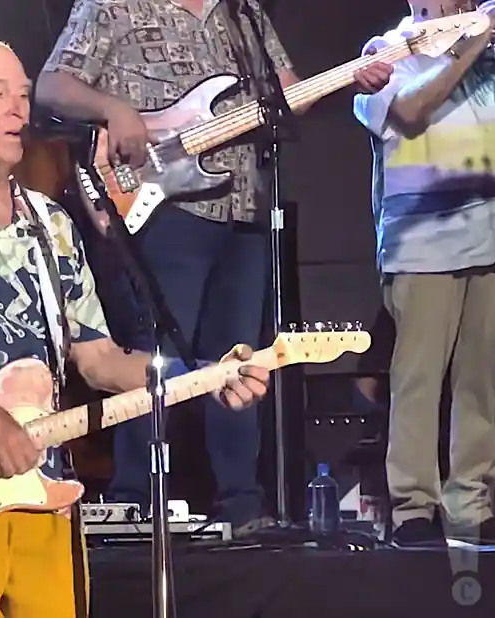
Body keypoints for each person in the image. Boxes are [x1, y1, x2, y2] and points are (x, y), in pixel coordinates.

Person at [0, 37, 271, 618]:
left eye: (23, 95)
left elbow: (97, 359)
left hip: (43, 497)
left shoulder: (51, 223)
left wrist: (204, 376)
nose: (21, 109)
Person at [34, 0, 393, 535]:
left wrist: (350, 79)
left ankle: (240, 506)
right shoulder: (113, 5)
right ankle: (133, 502)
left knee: (240, 358)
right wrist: (114, 107)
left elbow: (285, 94)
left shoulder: (242, 12)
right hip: (161, 205)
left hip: (245, 206)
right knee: (152, 355)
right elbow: (51, 85)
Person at [353, 0, 495, 546]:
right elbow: (410, 113)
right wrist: (472, 43)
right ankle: (414, 505)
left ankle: (472, 504)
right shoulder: (386, 53)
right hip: (421, 244)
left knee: (480, 384)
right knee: (417, 381)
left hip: (488, 237)